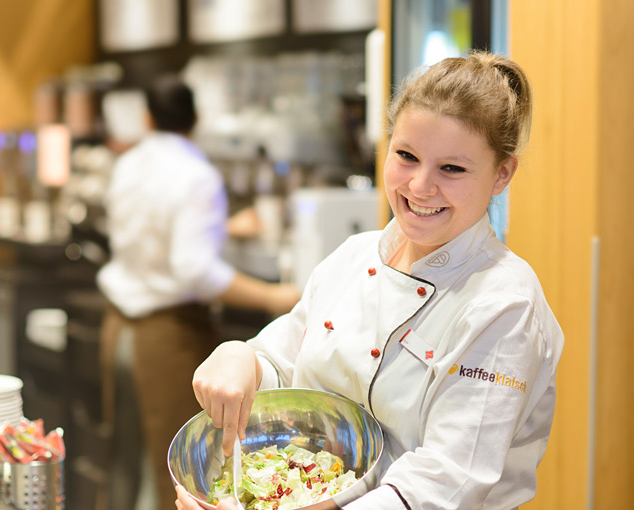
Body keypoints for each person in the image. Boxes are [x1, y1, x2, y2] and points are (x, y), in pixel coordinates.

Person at [175, 52, 564, 510]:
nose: (420, 186)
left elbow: (445, 484)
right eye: (406, 155)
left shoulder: (504, 304)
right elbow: (284, 360)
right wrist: (241, 356)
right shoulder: (356, 256)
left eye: (452, 169)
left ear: (502, 173)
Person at [98, 75, 300, 510]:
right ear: (197, 119)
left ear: (147, 117)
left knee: (121, 462)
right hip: (164, 336)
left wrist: (222, 228)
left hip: (117, 328)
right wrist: (270, 297)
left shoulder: (128, 162)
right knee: (169, 471)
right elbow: (195, 271)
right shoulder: (197, 175)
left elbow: (153, 235)